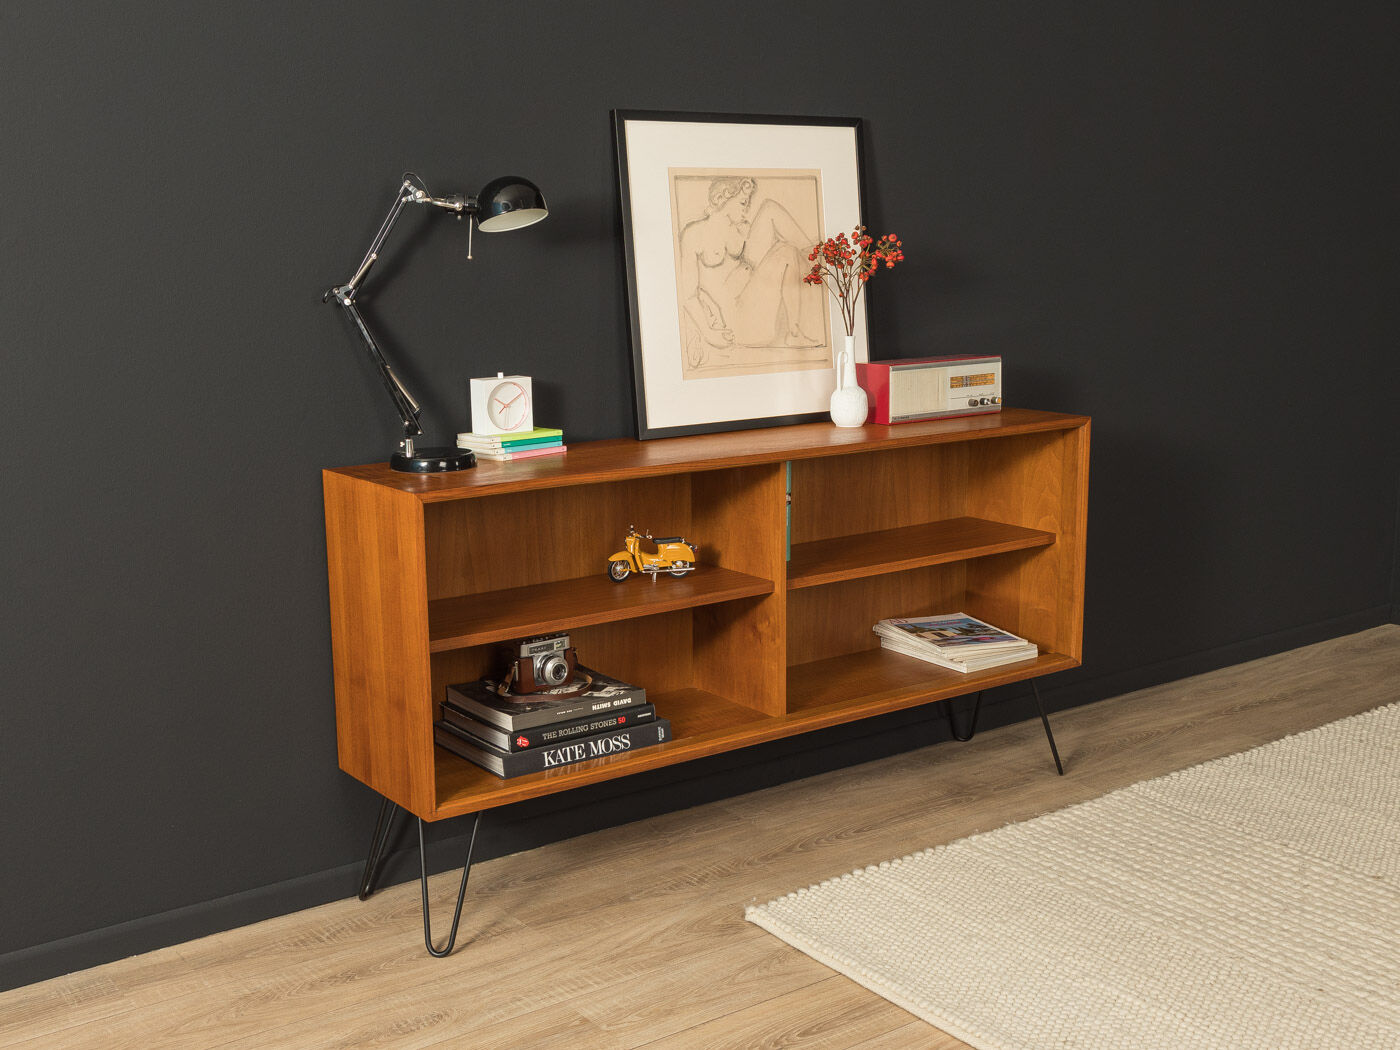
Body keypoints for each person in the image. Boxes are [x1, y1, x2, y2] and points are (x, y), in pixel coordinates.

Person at [676, 176, 824, 356]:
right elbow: (688, 294)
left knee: (780, 233)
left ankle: (794, 330)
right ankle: (816, 257)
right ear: (722, 199)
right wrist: (709, 334)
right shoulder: (693, 234)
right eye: (742, 203)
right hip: (739, 324)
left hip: (757, 307)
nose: (746, 209)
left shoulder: (742, 229)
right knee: (784, 247)